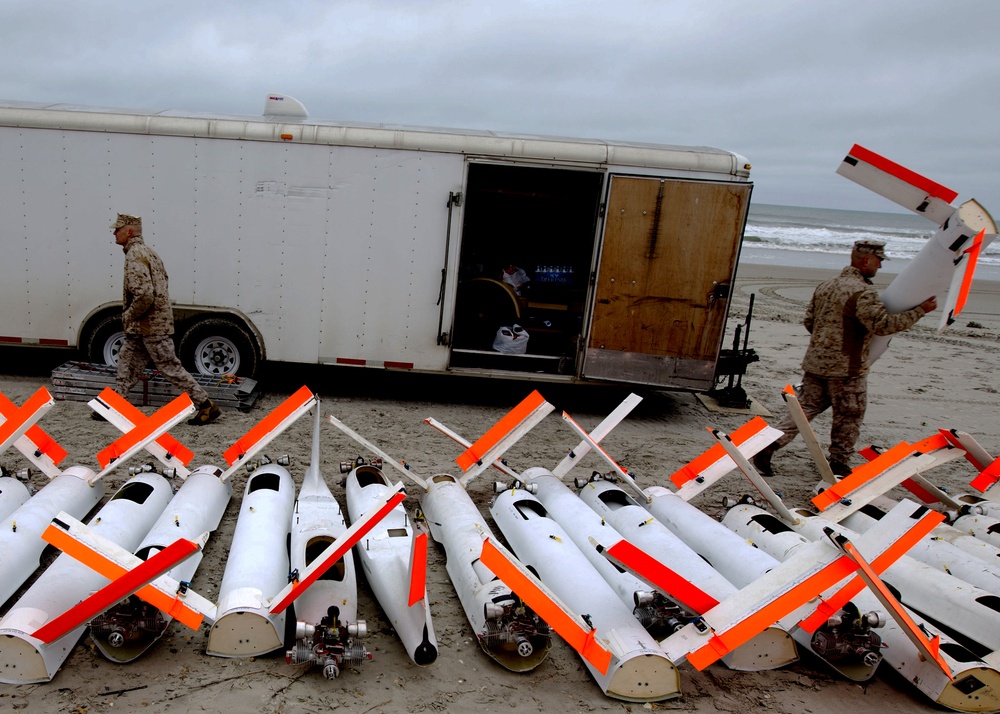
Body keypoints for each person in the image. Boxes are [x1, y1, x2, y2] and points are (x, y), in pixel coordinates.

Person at [753, 240, 936, 477]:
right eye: (879, 261)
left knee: (805, 409)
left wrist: (826, 341)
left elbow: (810, 322)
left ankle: (769, 446)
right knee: (848, 417)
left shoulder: (825, 286)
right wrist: (920, 310)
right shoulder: (863, 292)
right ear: (865, 261)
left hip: (815, 364)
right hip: (847, 369)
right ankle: (838, 463)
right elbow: (884, 325)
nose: (879, 266)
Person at [107, 213, 221, 426]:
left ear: (129, 231)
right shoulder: (149, 253)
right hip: (146, 326)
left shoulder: (135, 255)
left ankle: (205, 405)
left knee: (170, 367)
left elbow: (145, 294)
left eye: (117, 229)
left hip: (150, 326)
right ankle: (115, 404)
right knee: (127, 363)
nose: (114, 233)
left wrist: (128, 314)